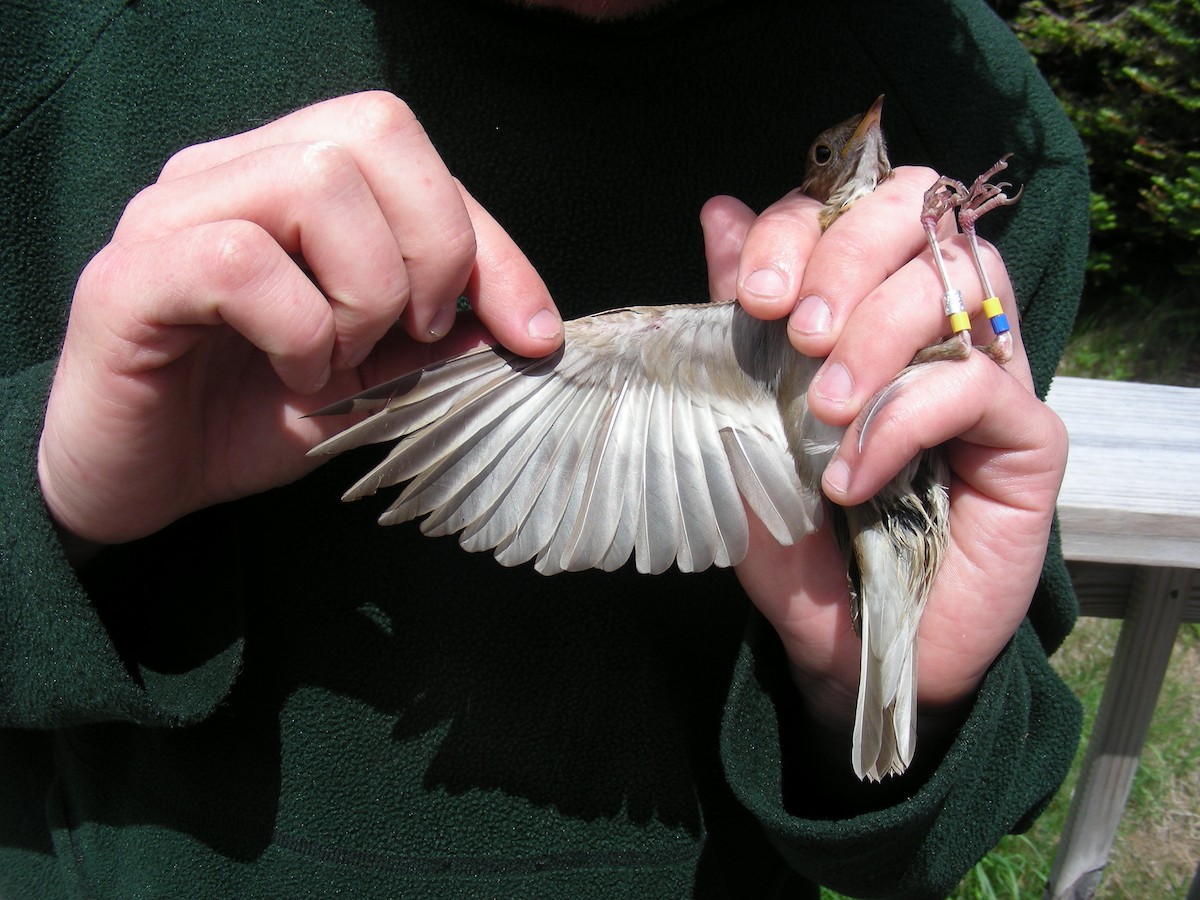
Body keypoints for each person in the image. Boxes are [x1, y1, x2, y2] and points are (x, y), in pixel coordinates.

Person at [0, 0, 1087, 896]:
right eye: (827, 149)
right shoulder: (62, 45)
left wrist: (892, 685)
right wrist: (45, 494)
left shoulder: (979, 130)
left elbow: (948, 819)